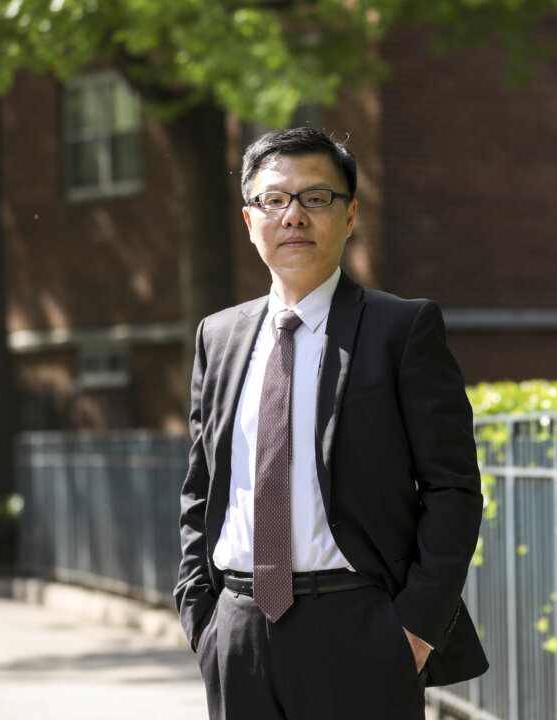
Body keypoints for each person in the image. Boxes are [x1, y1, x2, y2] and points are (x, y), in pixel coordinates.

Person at [174, 127, 487, 719]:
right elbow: (200, 486)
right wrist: (201, 615)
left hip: (359, 630)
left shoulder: (402, 329)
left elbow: (452, 488)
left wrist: (414, 630)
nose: (294, 216)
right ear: (249, 219)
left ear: (349, 218)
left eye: (316, 198)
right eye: (275, 200)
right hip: (237, 629)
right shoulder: (218, 336)